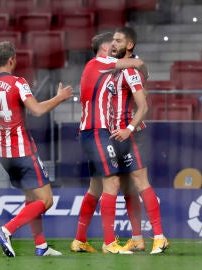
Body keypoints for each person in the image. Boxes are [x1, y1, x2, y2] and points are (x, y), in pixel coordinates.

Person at [0, 41, 73, 257]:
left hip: (3, 154)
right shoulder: (18, 82)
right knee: (46, 200)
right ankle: (6, 230)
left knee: (31, 200)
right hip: (23, 151)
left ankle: (41, 247)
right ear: (11, 60)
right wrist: (60, 97)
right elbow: (37, 111)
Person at [71, 32, 147, 254]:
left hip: (90, 131)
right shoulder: (101, 63)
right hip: (97, 132)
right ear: (103, 49)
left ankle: (79, 240)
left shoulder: (96, 68)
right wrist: (144, 73)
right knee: (112, 182)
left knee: (95, 188)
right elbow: (138, 61)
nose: (114, 46)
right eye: (111, 44)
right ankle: (109, 243)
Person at [109, 26, 169, 254]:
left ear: (130, 45)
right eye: (112, 40)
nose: (113, 44)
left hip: (132, 135)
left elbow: (144, 106)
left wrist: (129, 128)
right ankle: (136, 238)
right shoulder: (117, 69)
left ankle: (159, 237)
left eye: (118, 40)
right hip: (117, 135)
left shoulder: (130, 71)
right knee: (127, 189)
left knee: (141, 182)